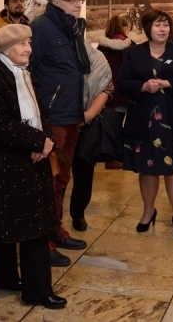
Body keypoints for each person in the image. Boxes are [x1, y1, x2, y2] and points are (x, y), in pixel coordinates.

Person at [0, 24, 66, 310]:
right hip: (5, 163)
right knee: (25, 226)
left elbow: (42, 111)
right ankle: (38, 291)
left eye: (29, 42)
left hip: (29, 157)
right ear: (5, 48)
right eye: (22, 44)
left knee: (22, 222)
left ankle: (3, 276)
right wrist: (38, 142)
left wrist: (45, 141)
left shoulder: (22, 72)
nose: (28, 48)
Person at [119, 9, 173, 242]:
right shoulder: (134, 52)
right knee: (147, 170)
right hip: (145, 121)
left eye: (166, 25)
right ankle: (148, 211)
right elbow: (123, 82)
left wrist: (169, 83)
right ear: (147, 29)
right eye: (157, 25)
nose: (163, 29)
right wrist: (143, 87)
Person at [29, 0, 88, 267]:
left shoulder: (72, 28)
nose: (78, 4)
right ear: (56, 2)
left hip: (71, 115)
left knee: (63, 178)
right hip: (52, 118)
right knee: (48, 181)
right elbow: (28, 70)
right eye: (72, 0)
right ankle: (44, 242)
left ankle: (56, 229)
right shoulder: (41, 28)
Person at [70, 40, 114, 232]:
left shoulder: (96, 58)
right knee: (57, 174)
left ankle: (78, 213)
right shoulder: (49, 54)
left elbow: (106, 88)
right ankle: (52, 221)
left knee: (84, 172)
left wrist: (87, 116)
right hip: (57, 122)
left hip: (87, 122)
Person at [97, 13, 133, 169]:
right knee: (121, 125)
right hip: (125, 92)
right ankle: (118, 157)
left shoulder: (101, 46)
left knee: (110, 125)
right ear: (124, 27)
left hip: (107, 92)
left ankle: (110, 157)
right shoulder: (129, 46)